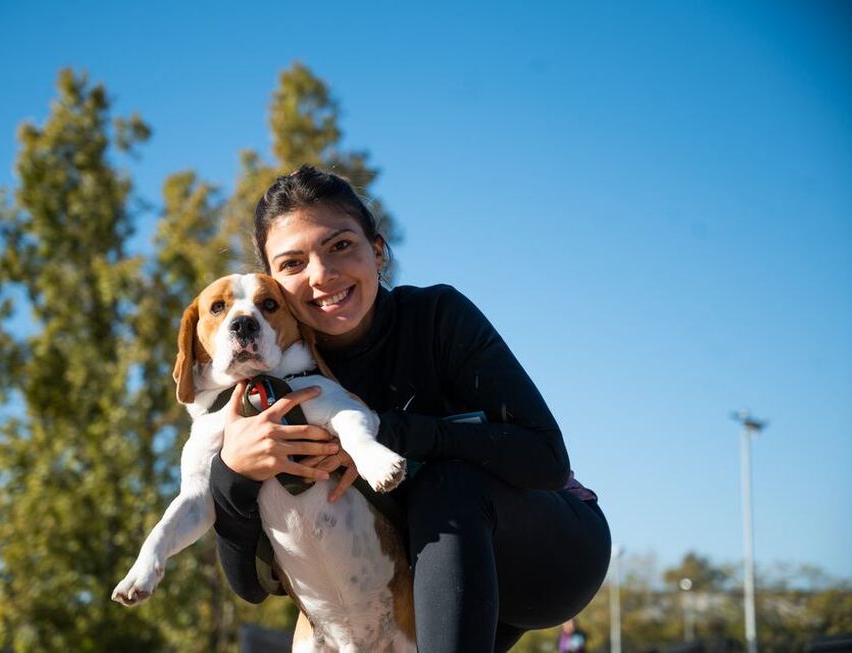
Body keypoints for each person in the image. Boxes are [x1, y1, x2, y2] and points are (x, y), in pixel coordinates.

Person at [210, 165, 611, 652]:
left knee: (448, 485)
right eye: (292, 264)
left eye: (340, 246)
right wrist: (232, 475)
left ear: (377, 251)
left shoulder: (437, 316)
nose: (322, 274)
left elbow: (547, 459)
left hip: (548, 553)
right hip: (427, 588)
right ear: (270, 284)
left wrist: (386, 433)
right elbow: (251, 588)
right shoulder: (270, 394)